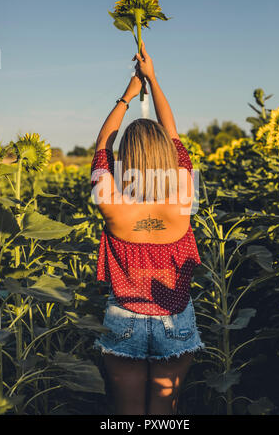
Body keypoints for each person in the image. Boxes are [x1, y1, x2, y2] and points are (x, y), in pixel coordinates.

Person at [91, 40, 205, 415]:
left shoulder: (111, 201)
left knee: (127, 415)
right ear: (170, 157)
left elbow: (102, 145)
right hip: (175, 317)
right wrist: (152, 80)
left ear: (127, 160)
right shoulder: (184, 194)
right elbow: (172, 133)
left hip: (123, 317)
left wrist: (129, 93)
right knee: (164, 412)